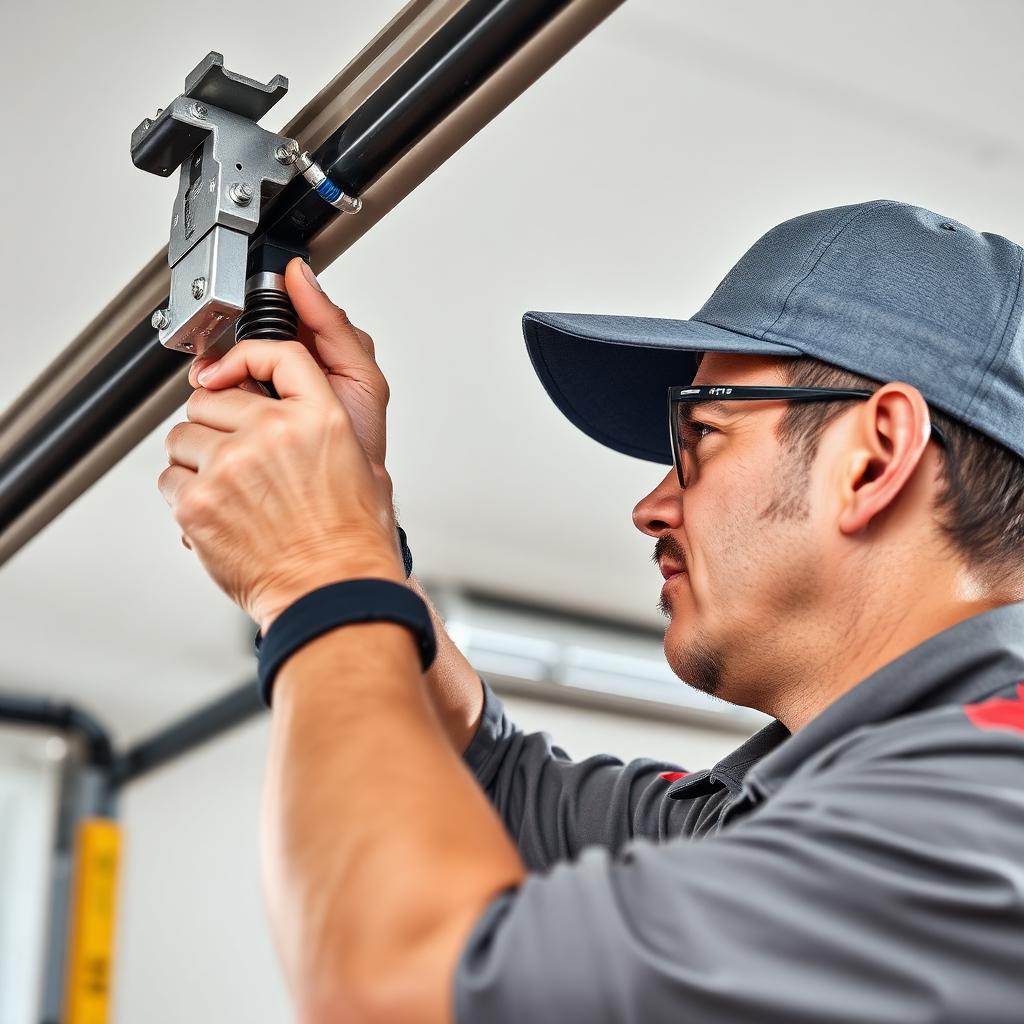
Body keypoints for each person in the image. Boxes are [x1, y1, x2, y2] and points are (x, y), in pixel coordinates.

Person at [160, 199, 1024, 1023]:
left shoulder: (983, 817)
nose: (651, 506)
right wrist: (353, 525)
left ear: (873, 459)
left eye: (699, 438)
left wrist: (318, 568)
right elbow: (491, 786)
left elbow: (407, 994)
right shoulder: (818, 819)